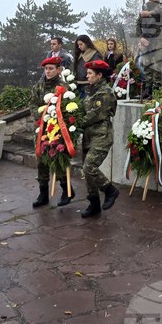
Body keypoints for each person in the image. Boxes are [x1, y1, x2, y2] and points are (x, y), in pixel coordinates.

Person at [30, 56, 74, 208]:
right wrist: (42, 116)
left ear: (58, 70)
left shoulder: (63, 87)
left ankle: (66, 190)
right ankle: (43, 194)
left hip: (58, 129)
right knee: (41, 161)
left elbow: (69, 107)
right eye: (46, 69)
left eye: (51, 69)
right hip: (42, 129)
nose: (48, 72)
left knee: (58, 159)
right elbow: (33, 106)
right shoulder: (38, 87)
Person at [78, 60, 119, 218]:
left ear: (100, 75)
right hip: (89, 136)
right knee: (87, 174)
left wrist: (77, 122)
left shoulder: (105, 92)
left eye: (90, 73)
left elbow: (96, 114)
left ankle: (110, 190)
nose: (87, 76)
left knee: (89, 167)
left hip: (101, 136)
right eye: (87, 73)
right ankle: (94, 203)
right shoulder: (91, 92)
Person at [136, 0, 162, 99]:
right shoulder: (144, 9)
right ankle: (148, 90)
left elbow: (161, 12)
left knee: (157, 65)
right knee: (147, 65)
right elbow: (138, 25)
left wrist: (148, 13)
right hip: (146, 40)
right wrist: (141, 38)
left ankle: (157, 91)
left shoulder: (161, 7)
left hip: (158, 39)